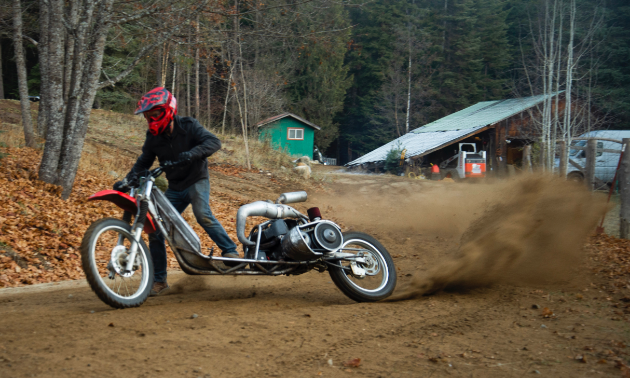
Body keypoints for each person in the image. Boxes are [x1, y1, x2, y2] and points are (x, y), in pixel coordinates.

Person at [114, 87, 239, 296]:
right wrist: (127, 180)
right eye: (148, 116)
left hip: (196, 180)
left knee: (202, 214)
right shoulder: (153, 138)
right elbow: (144, 162)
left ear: (168, 110)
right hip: (175, 187)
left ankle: (230, 251)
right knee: (155, 231)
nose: (152, 120)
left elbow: (214, 142)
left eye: (155, 114)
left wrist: (191, 154)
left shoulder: (188, 126)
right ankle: (160, 281)